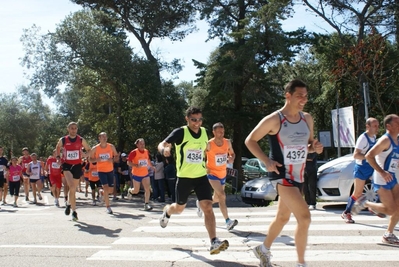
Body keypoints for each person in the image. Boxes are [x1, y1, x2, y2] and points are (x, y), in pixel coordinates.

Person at [245, 79, 323, 267]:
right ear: (288, 96)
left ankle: (263, 249)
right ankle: (301, 263)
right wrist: (266, 161)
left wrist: (316, 147)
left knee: (282, 217)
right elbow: (250, 141)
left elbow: (309, 144)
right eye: (299, 96)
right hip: (281, 175)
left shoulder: (307, 118)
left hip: (299, 175)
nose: (303, 99)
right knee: (304, 217)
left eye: (305, 96)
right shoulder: (274, 119)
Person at [158, 106, 229, 255]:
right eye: (193, 120)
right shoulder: (181, 132)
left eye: (199, 119)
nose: (197, 123)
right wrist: (165, 149)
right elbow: (163, 143)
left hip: (201, 176)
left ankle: (213, 241)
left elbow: (207, 150)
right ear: (187, 119)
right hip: (184, 177)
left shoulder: (203, 133)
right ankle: (167, 212)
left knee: (208, 207)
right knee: (179, 208)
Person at [352, 114, 399, 245]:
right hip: (381, 179)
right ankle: (365, 203)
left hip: (392, 177)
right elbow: (369, 156)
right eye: (397, 123)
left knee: (398, 207)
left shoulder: (397, 140)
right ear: (388, 126)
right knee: (390, 209)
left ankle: (388, 234)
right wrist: (382, 172)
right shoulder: (385, 140)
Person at [341, 117, 379, 223]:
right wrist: (368, 157)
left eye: (378, 126)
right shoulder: (363, 138)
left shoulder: (374, 137)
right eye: (375, 126)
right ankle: (347, 212)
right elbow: (356, 155)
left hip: (371, 167)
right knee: (357, 193)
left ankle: (374, 206)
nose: (377, 128)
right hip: (361, 168)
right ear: (368, 127)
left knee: (380, 187)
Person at [205, 122, 238, 231]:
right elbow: (200, 155)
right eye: (219, 132)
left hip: (222, 173)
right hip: (212, 173)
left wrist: (232, 157)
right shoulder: (209, 144)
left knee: (217, 198)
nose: (221, 134)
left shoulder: (227, 142)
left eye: (222, 132)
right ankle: (228, 221)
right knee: (222, 195)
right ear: (213, 132)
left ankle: (202, 205)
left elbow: (232, 153)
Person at [56, 122, 91, 221]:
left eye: (75, 128)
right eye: (72, 128)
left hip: (77, 166)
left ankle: (68, 204)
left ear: (77, 129)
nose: (73, 130)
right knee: (71, 186)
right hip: (66, 165)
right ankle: (74, 211)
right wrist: (58, 157)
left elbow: (89, 149)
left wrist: (85, 155)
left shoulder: (81, 139)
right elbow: (58, 147)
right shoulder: (63, 139)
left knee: (73, 189)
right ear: (68, 129)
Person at [89, 132, 118, 214]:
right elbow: (90, 159)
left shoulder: (111, 146)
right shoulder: (95, 148)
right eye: (103, 137)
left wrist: (112, 160)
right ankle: (108, 207)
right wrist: (96, 160)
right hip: (101, 170)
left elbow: (116, 157)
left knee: (111, 191)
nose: (105, 138)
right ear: (99, 138)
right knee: (106, 187)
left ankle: (101, 192)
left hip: (110, 170)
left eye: (106, 136)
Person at [127, 138, 154, 211]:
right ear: (137, 145)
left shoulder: (146, 151)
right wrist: (136, 165)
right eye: (141, 144)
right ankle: (130, 191)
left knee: (147, 189)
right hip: (136, 174)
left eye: (143, 144)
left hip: (145, 174)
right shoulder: (134, 152)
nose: (142, 145)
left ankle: (146, 204)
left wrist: (152, 167)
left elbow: (147, 160)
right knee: (136, 190)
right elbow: (128, 162)